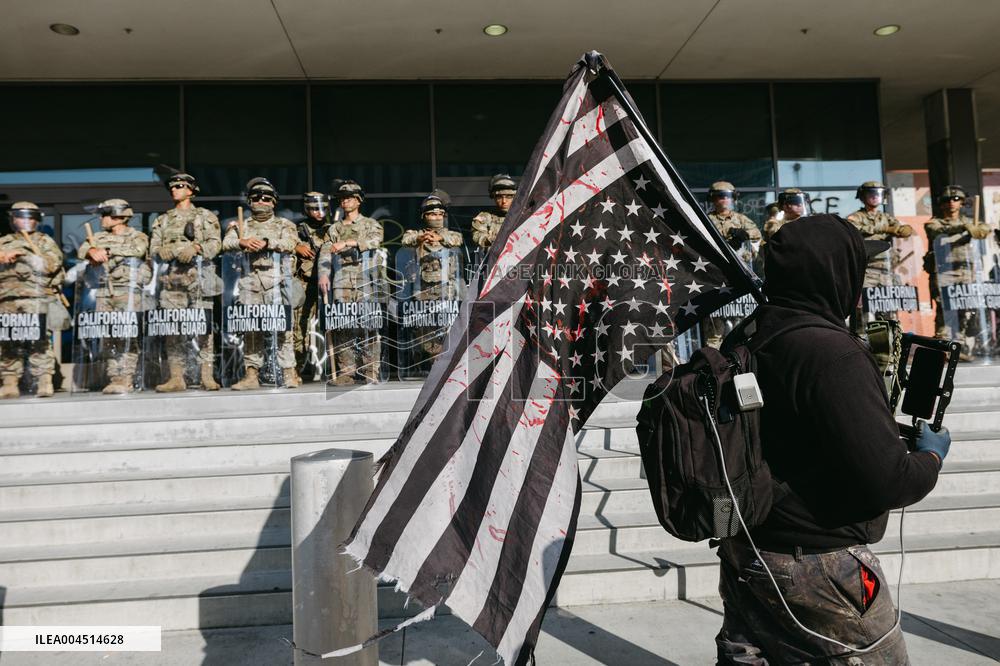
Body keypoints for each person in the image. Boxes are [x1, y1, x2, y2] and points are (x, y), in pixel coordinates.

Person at [715, 214, 950, 664]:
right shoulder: (831, 352)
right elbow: (890, 480)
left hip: (745, 549)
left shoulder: (746, 336)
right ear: (835, 274)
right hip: (819, 565)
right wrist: (931, 457)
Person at [222, 177, 299, 390]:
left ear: (274, 202)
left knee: (283, 329)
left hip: (277, 282)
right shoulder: (240, 225)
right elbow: (225, 243)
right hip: (250, 283)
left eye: (266, 198)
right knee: (251, 329)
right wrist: (241, 241)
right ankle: (251, 374)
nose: (261, 201)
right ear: (249, 201)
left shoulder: (285, 225)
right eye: (256, 198)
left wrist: (268, 242)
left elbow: (291, 243)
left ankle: (289, 372)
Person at [149, 173, 223, 392]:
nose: (174, 189)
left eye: (180, 186)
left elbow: (216, 244)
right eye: (172, 187)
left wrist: (197, 248)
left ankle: (207, 375)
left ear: (191, 190)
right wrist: (165, 251)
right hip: (172, 282)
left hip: (199, 280)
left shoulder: (205, 216)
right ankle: (176, 377)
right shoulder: (162, 219)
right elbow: (153, 250)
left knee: (204, 330)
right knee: (173, 331)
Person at [77, 199, 150, 394]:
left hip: (127, 291)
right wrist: (92, 250)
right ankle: (114, 377)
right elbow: (82, 250)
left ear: (118, 216)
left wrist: (107, 251)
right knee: (108, 336)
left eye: (105, 215)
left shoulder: (137, 235)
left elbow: (138, 250)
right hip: (103, 291)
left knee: (127, 334)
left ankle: (126, 377)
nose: (101, 219)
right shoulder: (98, 237)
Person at [317, 180, 384, 385]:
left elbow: (376, 240)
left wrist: (350, 242)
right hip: (342, 280)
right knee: (343, 326)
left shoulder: (370, 224)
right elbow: (325, 253)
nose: (345, 202)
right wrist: (323, 274)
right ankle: (347, 371)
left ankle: (369, 370)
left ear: (358, 200)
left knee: (368, 326)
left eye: (349, 198)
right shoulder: (334, 228)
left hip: (365, 279)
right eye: (342, 199)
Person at [0, 202, 64, 398]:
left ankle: (44, 380)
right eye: (21, 217)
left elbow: (52, 264)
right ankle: (10, 381)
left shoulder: (44, 241)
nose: (26, 221)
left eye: (31, 217)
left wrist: (25, 255)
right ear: (13, 220)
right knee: (8, 340)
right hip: (6, 298)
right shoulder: (3, 241)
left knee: (39, 340)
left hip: (35, 297)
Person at [924, 185, 991, 348]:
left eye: (956, 199)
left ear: (962, 202)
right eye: (947, 200)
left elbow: (984, 230)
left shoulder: (970, 221)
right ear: (941, 203)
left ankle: (959, 347)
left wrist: (976, 229)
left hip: (966, 271)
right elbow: (936, 230)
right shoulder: (934, 222)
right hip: (944, 272)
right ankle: (943, 348)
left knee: (964, 310)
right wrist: (965, 228)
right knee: (945, 312)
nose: (951, 203)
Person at [401, 191, 463, 362]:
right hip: (423, 290)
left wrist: (440, 237)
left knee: (447, 327)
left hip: (446, 290)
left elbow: (456, 240)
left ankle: (447, 361)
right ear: (424, 215)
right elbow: (406, 240)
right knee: (425, 328)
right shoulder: (415, 234)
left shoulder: (451, 234)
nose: (436, 218)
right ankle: (433, 361)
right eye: (432, 214)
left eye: (440, 214)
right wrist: (421, 238)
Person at [846, 181, 914, 334]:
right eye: (870, 194)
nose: (874, 197)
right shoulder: (856, 217)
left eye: (878, 194)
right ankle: (860, 343)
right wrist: (886, 229)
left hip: (886, 270)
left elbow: (906, 230)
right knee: (863, 311)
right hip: (866, 270)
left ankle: (887, 346)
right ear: (862, 197)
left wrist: (900, 229)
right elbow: (853, 228)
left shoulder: (886, 217)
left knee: (887, 309)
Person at [703, 181, 762, 347]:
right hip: (714, 280)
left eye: (727, 196)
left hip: (740, 280)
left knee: (740, 330)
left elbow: (756, 243)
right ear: (712, 199)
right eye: (718, 196)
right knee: (714, 333)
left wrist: (744, 242)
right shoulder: (706, 220)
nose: (723, 200)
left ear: (733, 198)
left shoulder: (743, 220)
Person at [293, 191, 330, 381]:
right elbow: (284, 243)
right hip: (304, 284)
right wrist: (296, 246)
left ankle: (335, 369)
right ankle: (297, 369)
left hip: (329, 287)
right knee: (299, 330)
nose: (318, 212)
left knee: (334, 328)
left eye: (322, 208)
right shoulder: (297, 230)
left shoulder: (333, 229)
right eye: (314, 208)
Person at [471, 174, 516, 250]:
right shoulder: (485, 217)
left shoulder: (524, 216)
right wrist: (491, 239)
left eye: (509, 196)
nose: (504, 201)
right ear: (494, 197)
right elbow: (478, 236)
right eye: (499, 197)